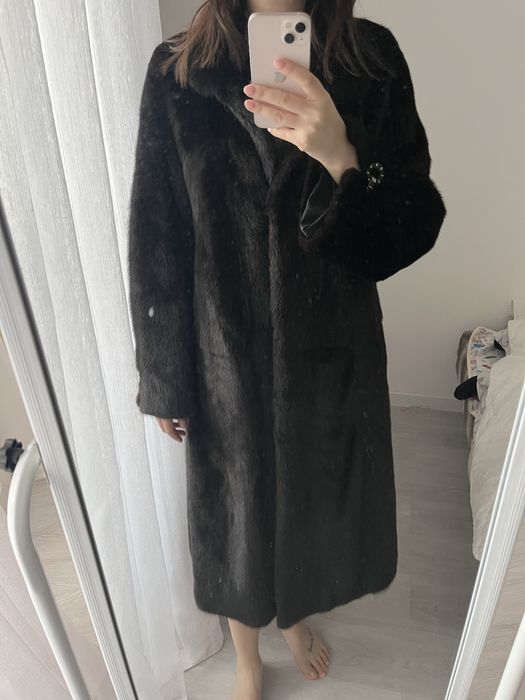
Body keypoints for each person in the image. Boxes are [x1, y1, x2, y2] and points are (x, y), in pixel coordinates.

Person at [127, 0, 447, 697]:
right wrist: (165, 374)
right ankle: (248, 654)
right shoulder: (179, 71)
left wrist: (340, 156)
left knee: (311, 502)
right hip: (223, 349)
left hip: (331, 351)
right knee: (235, 514)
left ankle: (294, 619)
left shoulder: (369, 58)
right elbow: (157, 234)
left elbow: (413, 224)